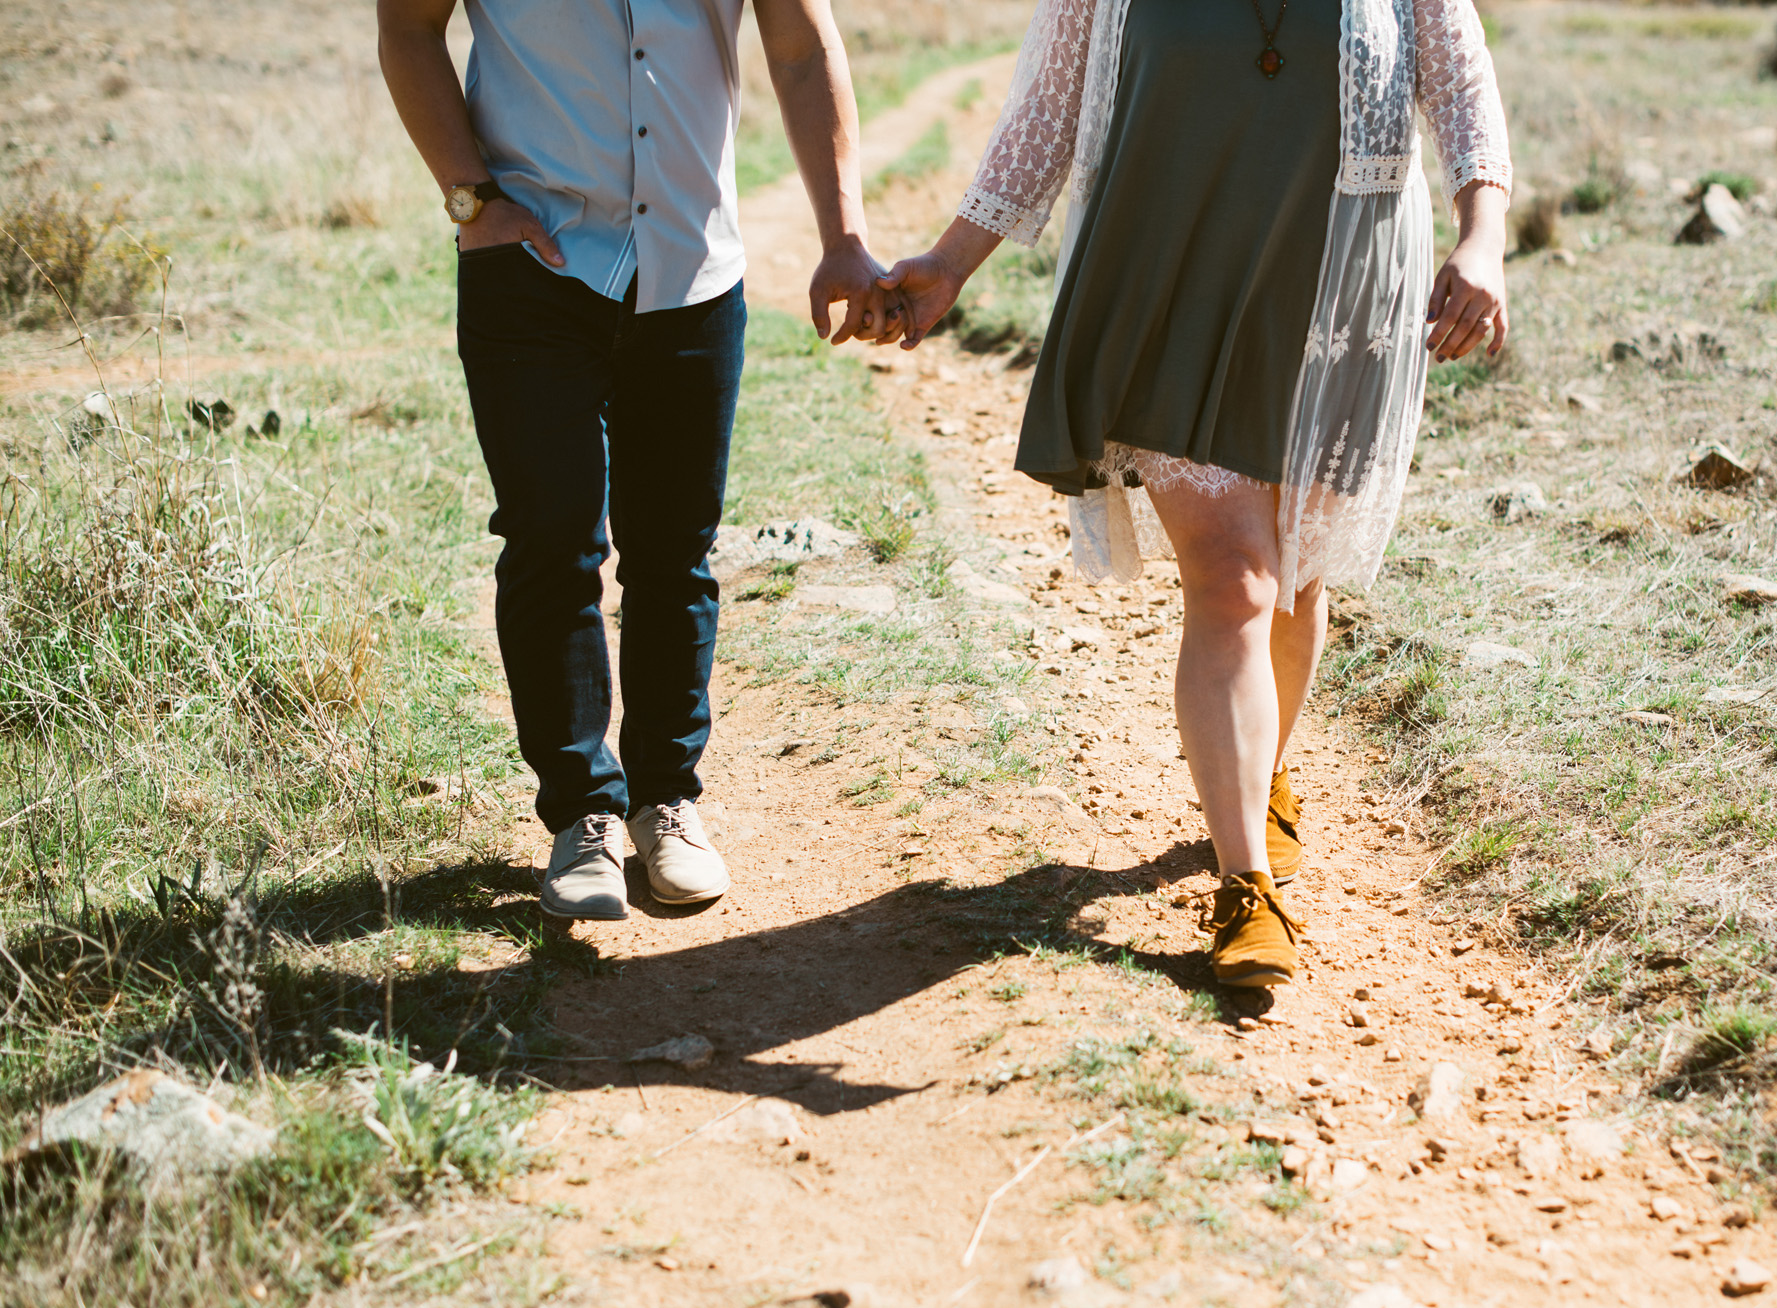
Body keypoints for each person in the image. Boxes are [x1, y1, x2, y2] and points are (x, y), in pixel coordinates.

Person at [878, 0, 1511, 986]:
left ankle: (1260, 774)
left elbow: (1463, 91)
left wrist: (1484, 240)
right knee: (1236, 581)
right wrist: (952, 261)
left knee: (1297, 582)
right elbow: (1044, 113)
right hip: (1167, 288)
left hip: (1338, 296)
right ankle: (1244, 887)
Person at [378, 0, 903, 920]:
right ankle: (582, 814)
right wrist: (470, 200)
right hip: (530, 262)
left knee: (672, 550)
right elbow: (408, 27)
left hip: (693, 266)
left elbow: (800, 44)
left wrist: (842, 234)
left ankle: (669, 801)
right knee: (551, 540)